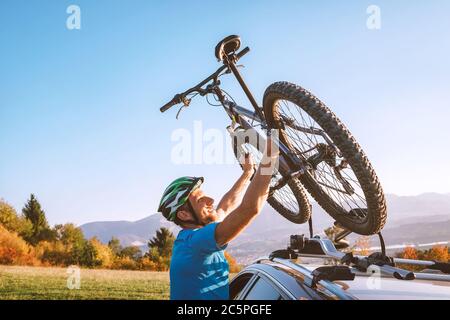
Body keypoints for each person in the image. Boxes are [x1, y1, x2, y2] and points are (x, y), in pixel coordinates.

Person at [157, 136, 279, 300]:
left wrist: (247, 173)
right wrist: (270, 156)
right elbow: (249, 209)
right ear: (184, 214)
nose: (210, 201)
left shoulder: (190, 240)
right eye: (201, 200)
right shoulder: (195, 242)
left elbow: (226, 206)